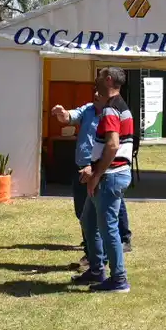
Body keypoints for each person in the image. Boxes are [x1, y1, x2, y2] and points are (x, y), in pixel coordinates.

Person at [70, 67, 134, 292]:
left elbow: (113, 144)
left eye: (99, 76)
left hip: (109, 178)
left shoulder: (110, 110)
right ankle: (97, 270)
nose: (94, 81)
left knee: (108, 228)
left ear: (108, 80)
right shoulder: (119, 107)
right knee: (88, 220)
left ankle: (119, 280)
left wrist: (96, 175)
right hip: (111, 175)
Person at [51, 97, 131, 265]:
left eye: (99, 91)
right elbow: (70, 116)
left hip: (100, 170)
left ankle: (105, 257)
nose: (95, 93)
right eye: (94, 90)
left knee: (104, 217)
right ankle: (93, 255)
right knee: (84, 215)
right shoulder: (88, 109)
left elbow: (112, 146)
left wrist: (95, 169)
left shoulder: (113, 114)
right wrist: (62, 113)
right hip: (81, 168)